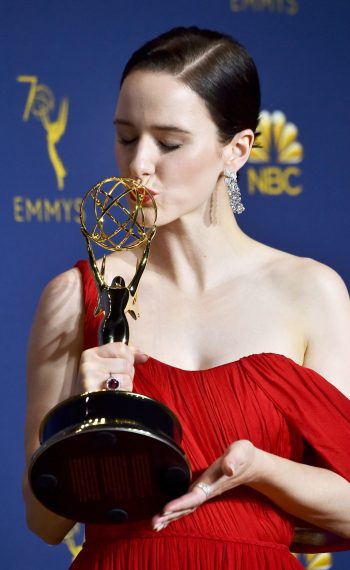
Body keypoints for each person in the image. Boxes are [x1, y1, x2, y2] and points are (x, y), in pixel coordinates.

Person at [23, 27, 350, 570]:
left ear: (236, 150)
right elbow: (43, 522)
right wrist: (79, 420)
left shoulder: (311, 291)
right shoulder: (76, 297)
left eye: (169, 143)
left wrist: (256, 468)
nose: (139, 165)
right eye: (126, 137)